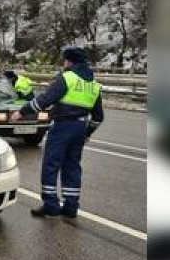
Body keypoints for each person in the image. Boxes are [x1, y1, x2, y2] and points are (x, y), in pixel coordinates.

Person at [10, 47, 104, 219]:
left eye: (65, 60)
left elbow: (45, 99)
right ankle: (71, 207)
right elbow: (99, 116)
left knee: (51, 165)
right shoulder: (93, 84)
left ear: (69, 61)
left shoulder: (67, 78)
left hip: (62, 127)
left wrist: (22, 111)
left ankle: (51, 205)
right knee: (72, 167)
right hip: (80, 128)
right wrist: (87, 132)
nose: (64, 64)